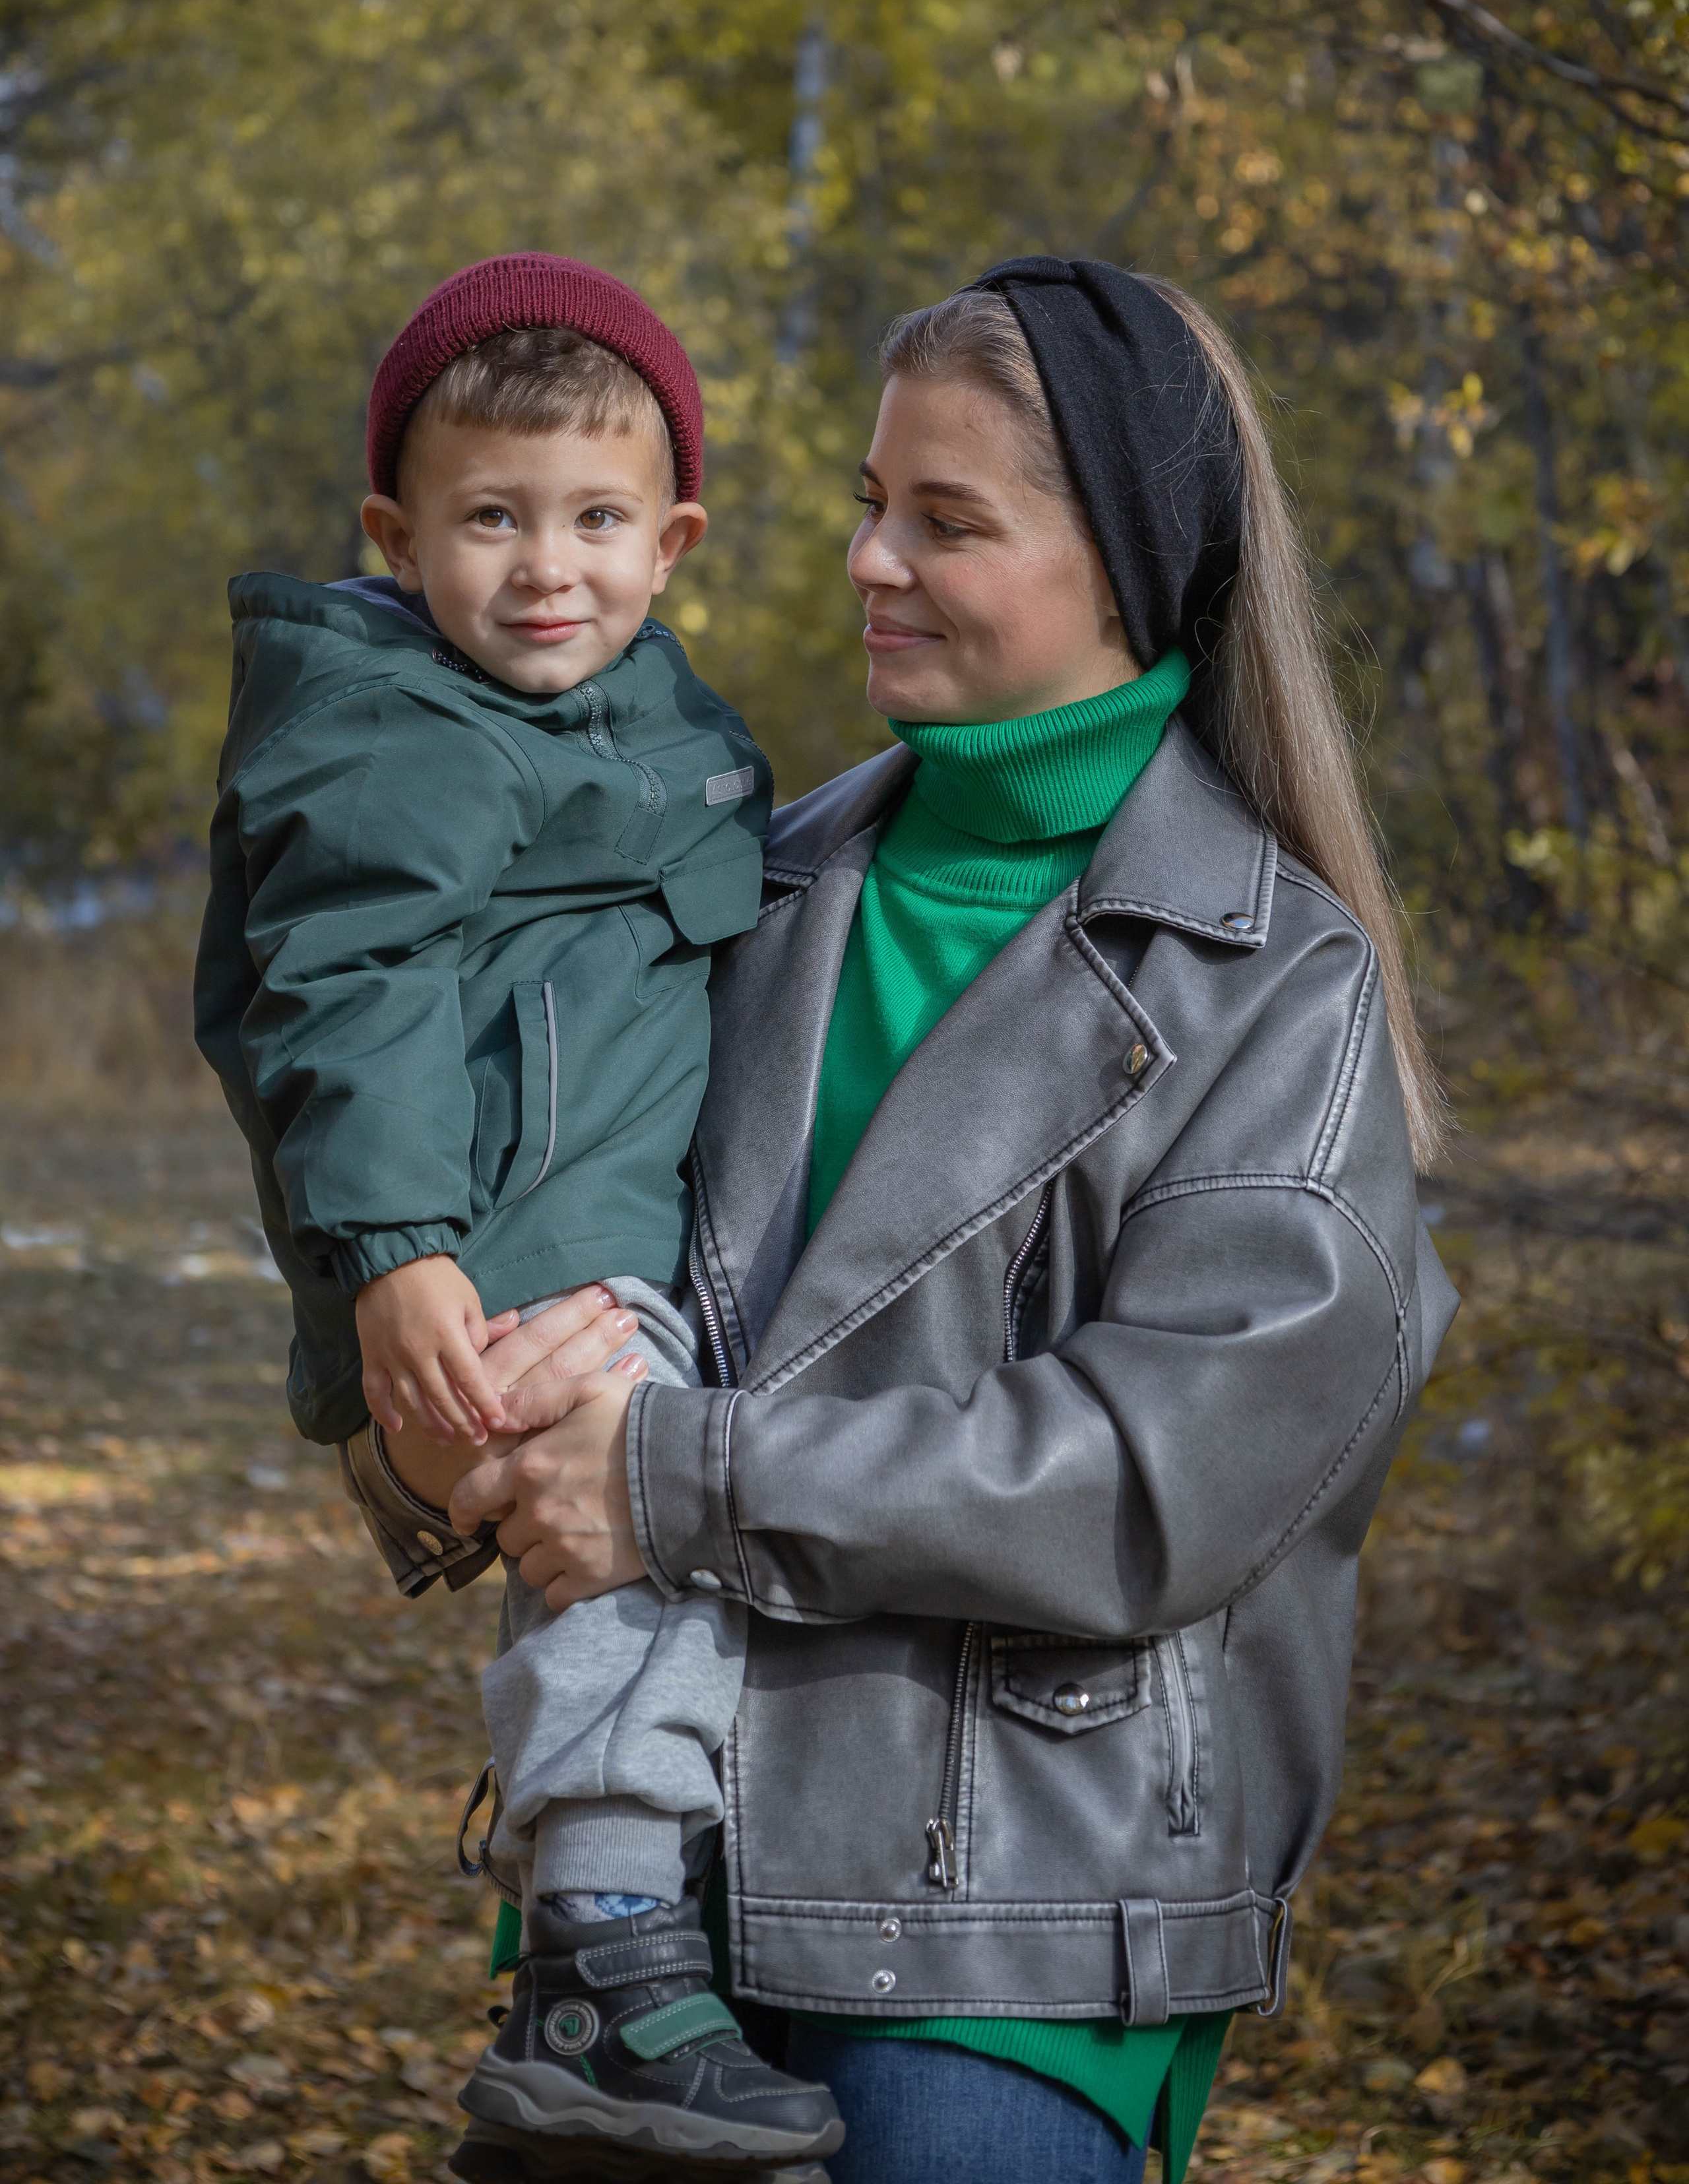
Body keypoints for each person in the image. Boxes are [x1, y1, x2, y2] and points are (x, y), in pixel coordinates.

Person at [449, 259, 1459, 2184]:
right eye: (868, 498)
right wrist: (427, 1401)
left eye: (948, 520)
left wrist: (675, 1478)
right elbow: (558, 1251)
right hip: (651, 1902)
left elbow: (1160, 1479)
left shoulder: (1276, 986)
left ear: (1126, 573)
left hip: (1014, 1932)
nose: (869, 559)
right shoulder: (741, 877)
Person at [193, 253, 845, 2171]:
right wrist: (399, 1252)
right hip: (500, 1245)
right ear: (396, 536)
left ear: (678, 538)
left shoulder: (657, 721)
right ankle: (607, 1951)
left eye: (596, 520)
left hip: (613, 1234)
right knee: (625, 1543)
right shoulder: (391, 730)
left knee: (662, 1558)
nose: (546, 569)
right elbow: (346, 990)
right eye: (489, 519)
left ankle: (630, 1931)